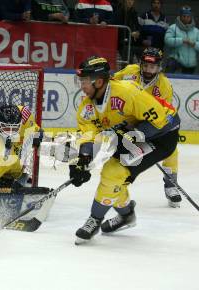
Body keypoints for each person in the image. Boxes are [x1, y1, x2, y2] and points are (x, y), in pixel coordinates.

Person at [71, 56, 180, 245]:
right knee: (115, 175)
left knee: (113, 171)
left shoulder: (128, 92)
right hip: (131, 134)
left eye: (85, 80)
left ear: (99, 81)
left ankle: (95, 220)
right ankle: (126, 215)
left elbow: (163, 120)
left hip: (162, 136)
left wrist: (133, 136)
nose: (82, 85)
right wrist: (82, 159)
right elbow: (89, 135)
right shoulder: (86, 107)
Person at [113, 47, 181, 208]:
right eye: (145, 66)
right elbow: (112, 84)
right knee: (119, 149)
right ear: (141, 64)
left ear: (159, 68)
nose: (148, 70)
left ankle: (171, 184)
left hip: (146, 122)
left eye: (152, 67)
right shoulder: (130, 71)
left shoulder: (164, 85)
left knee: (172, 150)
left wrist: (143, 130)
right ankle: (117, 183)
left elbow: (162, 115)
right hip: (125, 118)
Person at [164, 5, 199, 75]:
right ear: (180, 16)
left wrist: (194, 44)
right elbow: (167, 40)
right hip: (176, 63)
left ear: (191, 17)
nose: (186, 18)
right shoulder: (173, 28)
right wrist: (182, 40)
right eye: (184, 16)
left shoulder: (196, 31)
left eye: (188, 16)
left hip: (192, 65)